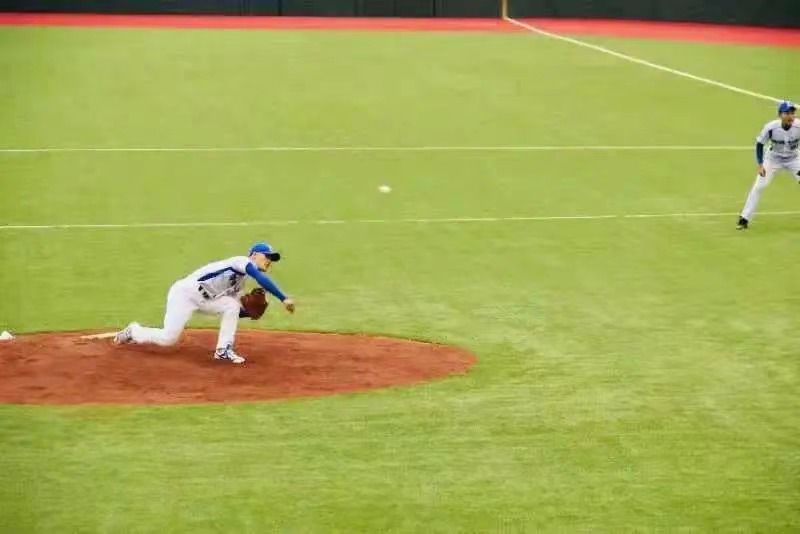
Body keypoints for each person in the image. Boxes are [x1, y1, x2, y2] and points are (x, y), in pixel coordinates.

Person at [113, 242, 295, 364]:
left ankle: (223, 350)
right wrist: (283, 298)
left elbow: (232, 312)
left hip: (208, 300)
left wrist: (248, 313)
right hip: (185, 294)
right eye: (267, 257)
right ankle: (134, 331)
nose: (269, 261)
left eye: (271, 259)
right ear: (254, 255)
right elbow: (260, 278)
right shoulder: (242, 262)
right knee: (168, 339)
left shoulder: (240, 282)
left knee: (232, 306)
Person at [737, 101, 800, 230]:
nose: (791, 116)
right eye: (787, 113)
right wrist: (760, 164)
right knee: (759, 186)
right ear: (780, 115)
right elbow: (760, 144)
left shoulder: (798, 126)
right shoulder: (771, 128)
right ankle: (744, 218)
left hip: (794, 159)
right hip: (773, 159)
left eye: (792, 113)